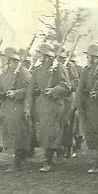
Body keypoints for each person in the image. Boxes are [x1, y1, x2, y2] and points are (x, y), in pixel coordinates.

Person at [30, 42, 73, 172]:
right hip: (42, 104)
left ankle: (47, 161)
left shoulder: (59, 67)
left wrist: (54, 90)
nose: (38, 55)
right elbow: (32, 87)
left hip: (54, 104)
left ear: (46, 55)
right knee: (44, 132)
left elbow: (67, 86)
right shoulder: (37, 70)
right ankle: (58, 149)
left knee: (50, 132)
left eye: (40, 53)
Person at [0, 48, 33, 172]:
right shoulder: (4, 73)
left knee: (18, 135)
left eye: (3, 57)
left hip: (18, 106)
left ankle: (18, 162)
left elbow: (30, 89)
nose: (2, 60)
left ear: (9, 58)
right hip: (7, 107)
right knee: (10, 134)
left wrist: (16, 93)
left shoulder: (23, 71)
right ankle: (22, 158)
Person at [74, 42, 98, 173]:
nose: (87, 58)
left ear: (94, 56)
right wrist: (77, 105)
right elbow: (80, 88)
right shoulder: (86, 69)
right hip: (88, 104)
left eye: (88, 55)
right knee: (91, 132)